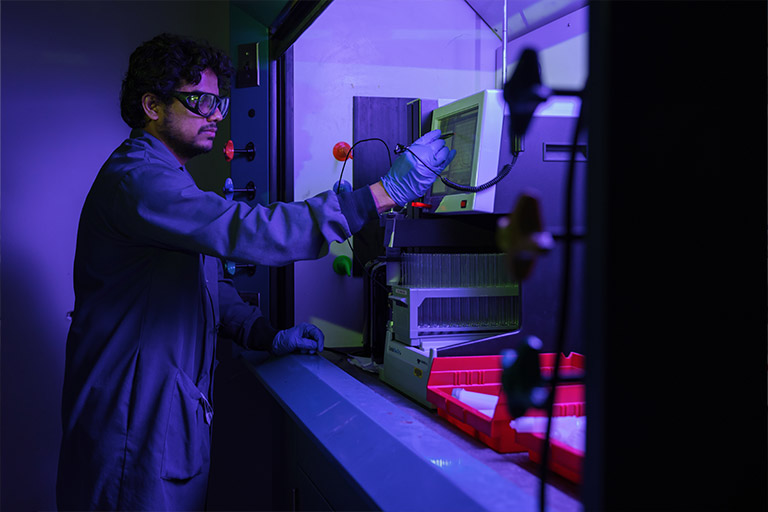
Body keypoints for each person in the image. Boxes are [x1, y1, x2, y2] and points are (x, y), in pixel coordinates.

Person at [56, 33, 455, 511]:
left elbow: (204, 283)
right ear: (152, 106)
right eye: (200, 101)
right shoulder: (139, 180)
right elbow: (251, 231)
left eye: (220, 102)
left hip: (154, 424)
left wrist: (264, 333)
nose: (217, 116)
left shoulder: (166, 178)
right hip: (131, 433)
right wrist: (381, 193)